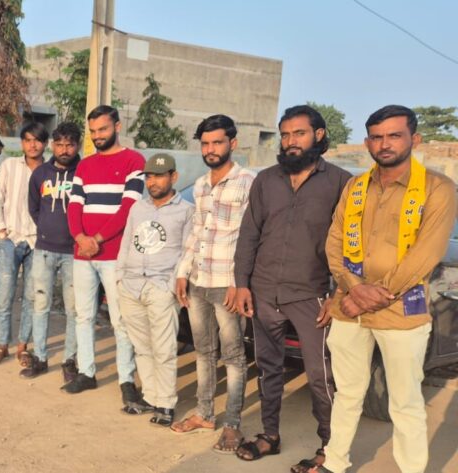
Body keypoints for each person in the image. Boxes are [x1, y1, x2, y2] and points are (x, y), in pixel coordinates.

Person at [313, 105, 457, 473]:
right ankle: (335, 463)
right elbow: (334, 243)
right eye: (377, 137)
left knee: (405, 402)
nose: (385, 143)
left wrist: (369, 295)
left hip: (401, 310)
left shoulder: (438, 188)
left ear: (414, 139)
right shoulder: (355, 186)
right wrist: (353, 288)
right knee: (347, 393)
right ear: (367, 143)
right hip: (348, 308)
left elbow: (427, 254)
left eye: (394, 135)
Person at [232, 105, 351, 470]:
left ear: (318, 135)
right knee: (268, 368)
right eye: (285, 135)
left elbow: (351, 245)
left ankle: (329, 449)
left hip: (311, 295)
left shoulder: (341, 183)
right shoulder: (266, 180)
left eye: (298, 133)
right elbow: (249, 234)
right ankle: (270, 435)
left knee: (320, 376)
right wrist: (242, 284)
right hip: (264, 291)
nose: (290, 141)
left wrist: (337, 295)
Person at [172, 115, 255, 453]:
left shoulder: (249, 183)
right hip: (198, 281)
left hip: (227, 284)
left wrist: (240, 282)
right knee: (203, 351)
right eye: (205, 143)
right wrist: (182, 271)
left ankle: (232, 424)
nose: (210, 149)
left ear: (232, 144)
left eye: (217, 142)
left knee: (233, 355)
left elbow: (252, 237)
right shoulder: (201, 185)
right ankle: (204, 413)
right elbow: (197, 232)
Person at [63, 105, 142, 404]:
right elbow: (74, 206)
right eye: (93, 131)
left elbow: (128, 208)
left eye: (103, 129)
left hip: (114, 255)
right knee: (83, 315)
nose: (97, 136)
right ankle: (87, 373)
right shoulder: (84, 166)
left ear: (117, 127)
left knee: (120, 319)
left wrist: (96, 239)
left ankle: (126, 380)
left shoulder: (134, 161)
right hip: (83, 254)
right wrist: (80, 238)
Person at [114, 153, 193, 427]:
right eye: (149, 176)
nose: (153, 182)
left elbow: (187, 252)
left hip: (160, 287)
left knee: (164, 348)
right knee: (142, 347)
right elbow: (126, 243)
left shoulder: (186, 211)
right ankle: (150, 396)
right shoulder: (138, 208)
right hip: (131, 286)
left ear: (173, 177)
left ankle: (166, 403)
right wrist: (119, 278)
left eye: (159, 176)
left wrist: (171, 286)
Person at [23, 122, 81, 380]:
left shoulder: (84, 172)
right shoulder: (41, 174)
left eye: (69, 145)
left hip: (74, 253)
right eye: (59, 144)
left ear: (77, 145)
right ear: (52, 145)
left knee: (73, 309)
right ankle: (40, 358)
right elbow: (34, 208)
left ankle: (69, 360)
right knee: (41, 305)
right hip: (44, 250)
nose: (64, 150)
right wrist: (47, 228)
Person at [0, 122, 44, 367]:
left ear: (45, 144)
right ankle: (2, 344)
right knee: (4, 295)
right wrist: (1, 231)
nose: (32, 145)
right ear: (22, 143)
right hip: (10, 239)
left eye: (37, 140)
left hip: (37, 242)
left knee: (31, 296)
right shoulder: (9, 166)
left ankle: (22, 346)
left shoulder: (49, 172)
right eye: (28, 140)